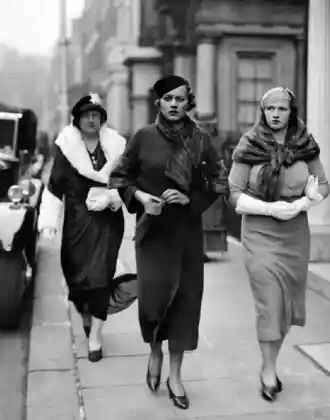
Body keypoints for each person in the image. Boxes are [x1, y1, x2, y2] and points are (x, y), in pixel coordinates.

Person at [109, 75, 227, 410]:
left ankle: (176, 376)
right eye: (167, 99)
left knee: (185, 303)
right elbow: (120, 177)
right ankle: (154, 351)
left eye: (179, 99)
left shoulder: (200, 140)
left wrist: (190, 198)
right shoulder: (143, 138)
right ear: (158, 102)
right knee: (154, 302)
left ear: (187, 102)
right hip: (152, 233)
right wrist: (142, 197)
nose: (174, 104)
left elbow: (218, 180)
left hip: (187, 233)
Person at [228, 86, 329, 402]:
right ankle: (268, 370)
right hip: (260, 231)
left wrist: (307, 202)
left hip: (295, 233)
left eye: (281, 108)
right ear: (263, 111)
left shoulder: (305, 145)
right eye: (270, 108)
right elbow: (232, 194)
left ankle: (271, 361)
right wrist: (270, 208)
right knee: (269, 302)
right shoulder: (250, 144)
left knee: (285, 306)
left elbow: (323, 184)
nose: (275, 114)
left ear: (291, 112)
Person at [39, 93, 127, 363]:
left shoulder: (116, 146)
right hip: (77, 222)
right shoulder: (66, 148)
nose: (92, 119)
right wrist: (48, 223)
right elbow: (54, 188)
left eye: (96, 115)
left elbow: (129, 183)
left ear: (102, 119)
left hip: (108, 221)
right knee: (76, 278)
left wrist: (112, 198)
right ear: (76, 119)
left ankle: (96, 334)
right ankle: (87, 316)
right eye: (87, 115)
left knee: (101, 278)